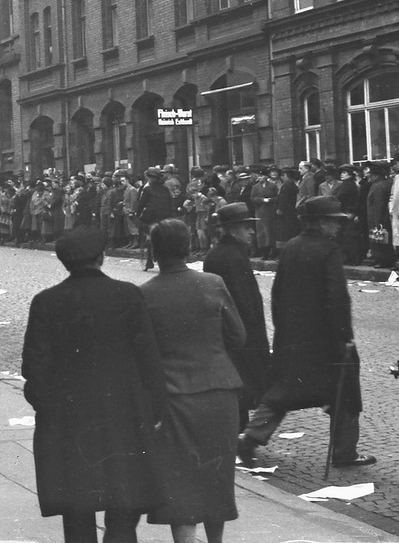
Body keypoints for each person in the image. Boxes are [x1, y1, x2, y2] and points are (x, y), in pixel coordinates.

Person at [22, 227, 167, 543]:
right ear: (101, 257)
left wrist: (48, 410)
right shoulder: (127, 295)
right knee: (124, 509)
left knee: (77, 513)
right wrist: (154, 408)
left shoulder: (46, 302)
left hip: (68, 422)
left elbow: (34, 369)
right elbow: (149, 360)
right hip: (123, 418)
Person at [238, 196, 375, 469]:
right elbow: (336, 297)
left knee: (283, 392)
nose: (337, 227)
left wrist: (282, 328)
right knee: (345, 391)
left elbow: (277, 293)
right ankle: (345, 451)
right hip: (326, 339)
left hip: (293, 336)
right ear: (321, 223)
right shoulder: (328, 250)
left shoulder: (291, 246)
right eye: (334, 222)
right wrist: (345, 336)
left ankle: (251, 437)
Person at [139, 219, 244, 543]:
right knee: (216, 476)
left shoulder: (144, 294)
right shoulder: (212, 283)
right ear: (187, 249)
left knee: (180, 479)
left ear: (154, 252)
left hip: (174, 397)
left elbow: (143, 354)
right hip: (218, 391)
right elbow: (238, 336)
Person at [202, 203, 270, 431]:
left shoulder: (220, 254)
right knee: (244, 380)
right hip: (242, 332)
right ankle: (239, 434)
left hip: (229, 330)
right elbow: (242, 299)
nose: (251, 232)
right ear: (231, 229)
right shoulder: (233, 257)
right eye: (245, 227)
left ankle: (238, 429)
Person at [137, 167, 177, 271]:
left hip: (151, 218)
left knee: (148, 236)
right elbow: (170, 203)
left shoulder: (147, 189)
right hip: (165, 217)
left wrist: (137, 214)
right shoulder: (165, 189)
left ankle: (149, 259)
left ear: (150, 178)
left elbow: (142, 203)